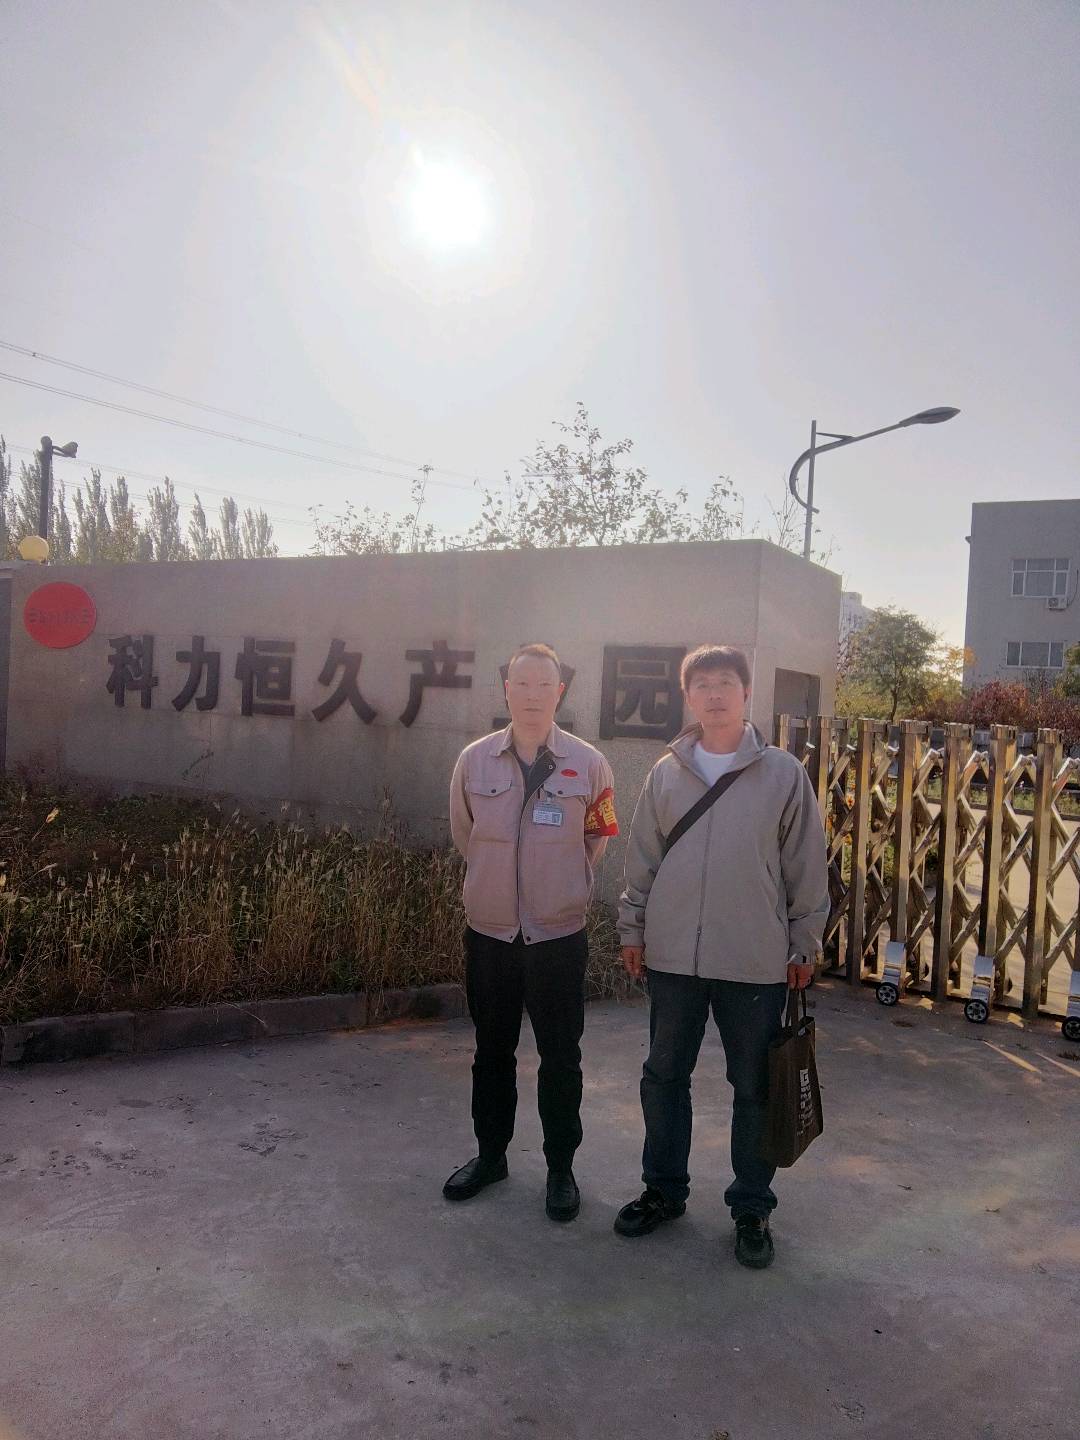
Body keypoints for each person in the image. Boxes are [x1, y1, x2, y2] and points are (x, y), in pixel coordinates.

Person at [613, 644, 828, 1267]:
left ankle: (752, 1207)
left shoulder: (782, 773)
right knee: (663, 1077)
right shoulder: (666, 773)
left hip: (754, 960)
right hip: (673, 957)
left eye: (725, 683)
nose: (714, 694)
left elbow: (806, 866)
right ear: (688, 697)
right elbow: (642, 859)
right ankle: (663, 1190)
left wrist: (803, 941)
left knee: (755, 1086)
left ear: (746, 692)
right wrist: (632, 930)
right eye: (702, 684)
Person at [444, 643, 618, 1222]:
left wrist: (556, 885)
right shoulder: (474, 762)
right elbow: (465, 836)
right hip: (491, 935)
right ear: (506, 689)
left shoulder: (588, 764)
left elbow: (595, 839)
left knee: (561, 1057)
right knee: (491, 1052)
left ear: (559, 692)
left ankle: (560, 1169)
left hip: (557, 937)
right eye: (522, 684)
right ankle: (491, 1156)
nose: (533, 695)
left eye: (545, 685)